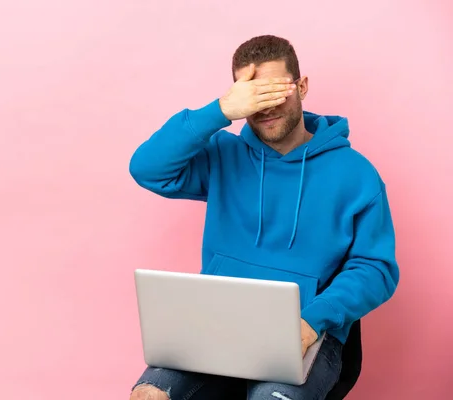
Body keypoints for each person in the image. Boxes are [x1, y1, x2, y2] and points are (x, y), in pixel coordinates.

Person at [127, 35, 400, 400]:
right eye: (254, 96)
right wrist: (220, 111)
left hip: (306, 328)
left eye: (276, 91)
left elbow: (376, 267)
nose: (266, 107)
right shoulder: (224, 155)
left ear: (302, 86)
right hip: (215, 323)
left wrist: (314, 320)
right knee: (149, 394)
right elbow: (147, 169)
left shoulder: (357, 174)